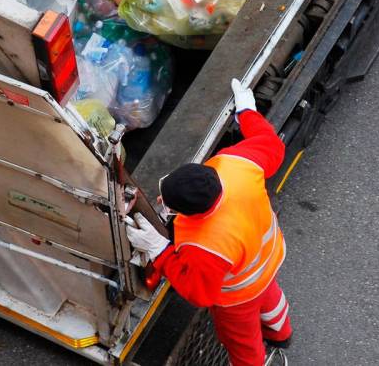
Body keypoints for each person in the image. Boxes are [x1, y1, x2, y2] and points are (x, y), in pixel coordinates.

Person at [125, 79, 291, 366]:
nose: (162, 202)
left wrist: (160, 250)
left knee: (242, 340)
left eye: (168, 202)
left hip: (239, 293)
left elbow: (200, 292)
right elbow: (271, 145)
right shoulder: (234, 165)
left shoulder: (205, 242)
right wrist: (247, 112)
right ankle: (281, 333)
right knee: (271, 298)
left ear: (193, 214)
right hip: (267, 257)